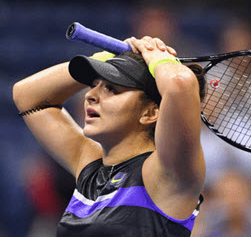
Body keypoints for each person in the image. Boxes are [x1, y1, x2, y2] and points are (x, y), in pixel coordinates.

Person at [12, 36, 206, 236]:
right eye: (93, 84)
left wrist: (157, 56)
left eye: (112, 89)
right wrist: (104, 58)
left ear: (150, 112)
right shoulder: (90, 166)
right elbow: (26, 96)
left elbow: (180, 84)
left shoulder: (167, 173)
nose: (90, 95)